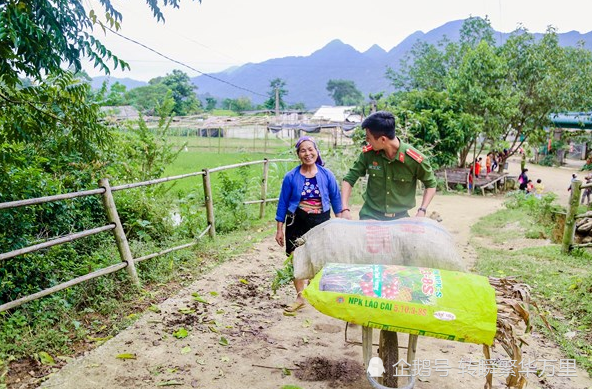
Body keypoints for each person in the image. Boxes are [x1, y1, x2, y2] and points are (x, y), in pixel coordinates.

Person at [275, 136, 343, 312]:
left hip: (321, 221)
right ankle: (300, 297)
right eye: (303, 150)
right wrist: (279, 229)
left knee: (321, 257)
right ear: (298, 154)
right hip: (297, 220)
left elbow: (336, 199)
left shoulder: (327, 175)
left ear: (316, 151)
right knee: (297, 258)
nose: (307, 153)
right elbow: (282, 203)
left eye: (310, 149)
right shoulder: (291, 177)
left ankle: (316, 291)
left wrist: (342, 223)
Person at [340, 111, 437, 221]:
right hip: (370, 215)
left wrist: (422, 210)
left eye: (369, 138)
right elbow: (349, 179)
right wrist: (345, 208)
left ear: (383, 139)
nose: (367, 141)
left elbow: (431, 184)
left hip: (401, 218)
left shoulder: (415, 159)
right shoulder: (368, 155)